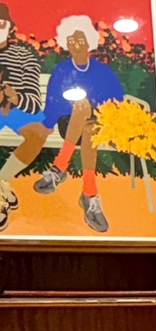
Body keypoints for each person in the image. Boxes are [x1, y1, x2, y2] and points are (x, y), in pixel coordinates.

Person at [28, 15, 124, 233]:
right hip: (68, 123)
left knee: (90, 126)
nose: (76, 44)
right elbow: (52, 102)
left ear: (89, 42)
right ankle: (88, 193)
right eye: (71, 40)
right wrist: (47, 124)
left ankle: (62, 170)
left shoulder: (102, 71)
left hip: (98, 124)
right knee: (82, 108)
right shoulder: (62, 70)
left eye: (80, 40)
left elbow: (117, 100)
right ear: (66, 43)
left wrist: (101, 112)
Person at [0, 2, 45, 232]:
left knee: (38, 133)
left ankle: (1, 182)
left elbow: (34, 101)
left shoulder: (24, 55)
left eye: (0, 24)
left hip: (15, 108)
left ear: (10, 27)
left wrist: (16, 97)